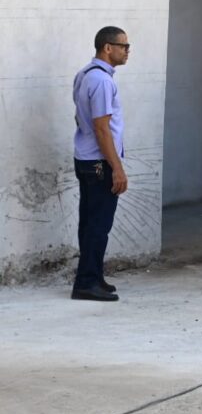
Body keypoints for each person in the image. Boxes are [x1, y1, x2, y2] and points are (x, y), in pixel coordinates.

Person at [70, 26, 132, 301]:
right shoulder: (103, 81)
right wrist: (116, 167)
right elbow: (102, 128)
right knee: (98, 224)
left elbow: (79, 118)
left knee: (90, 222)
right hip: (98, 163)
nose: (127, 51)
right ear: (108, 47)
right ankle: (86, 282)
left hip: (86, 158)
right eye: (124, 46)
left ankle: (92, 275)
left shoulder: (84, 74)